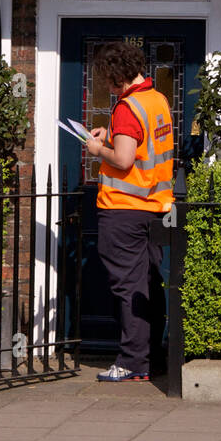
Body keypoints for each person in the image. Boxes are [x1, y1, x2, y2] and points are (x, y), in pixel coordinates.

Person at [85, 40, 175, 382]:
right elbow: (144, 146)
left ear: (116, 75)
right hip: (153, 207)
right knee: (149, 284)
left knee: (127, 287)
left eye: (107, 78)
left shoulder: (127, 107)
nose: (106, 86)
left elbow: (123, 160)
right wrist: (111, 135)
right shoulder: (157, 101)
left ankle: (133, 362)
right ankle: (154, 357)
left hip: (123, 209)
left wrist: (97, 148)